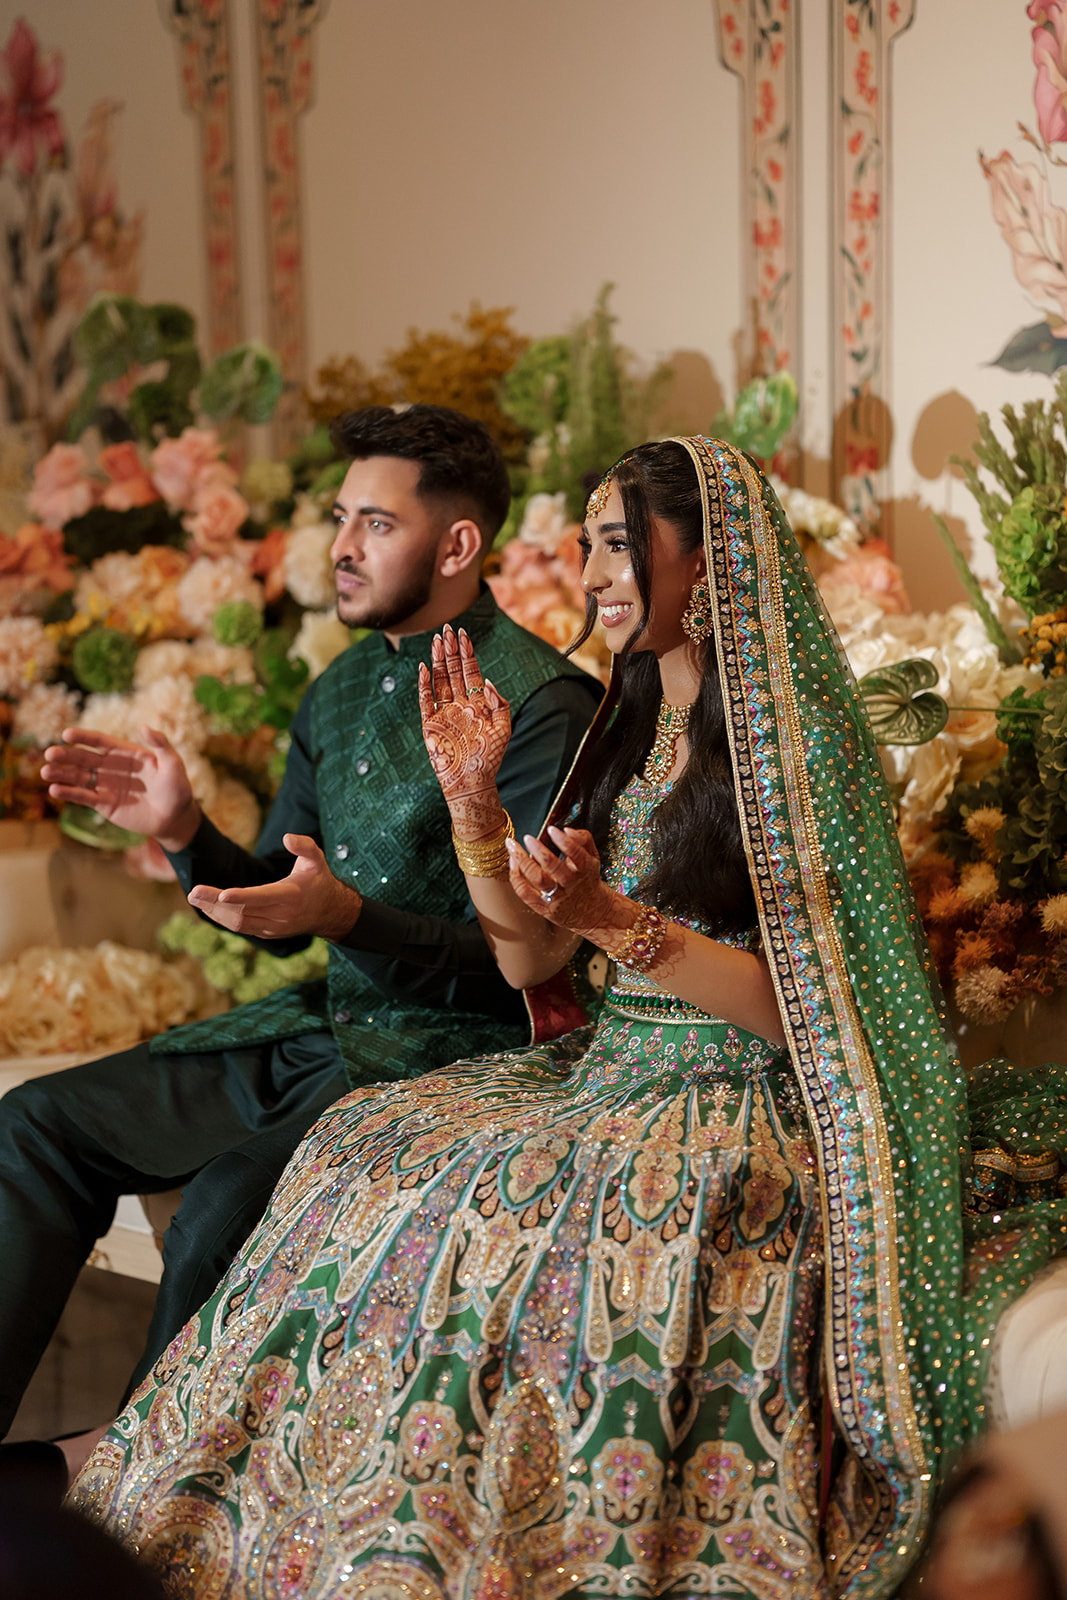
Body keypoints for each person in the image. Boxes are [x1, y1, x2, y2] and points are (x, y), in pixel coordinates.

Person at [70, 438, 1054, 1596]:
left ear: (711, 560)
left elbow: (800, 1011)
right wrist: (473, 808)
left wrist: (615, 921)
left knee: (558, 1206)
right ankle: (315, 1514)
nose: (590, 574)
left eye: (619, 545)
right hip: (605, 1065)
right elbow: (527, 954)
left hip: (735, 1093)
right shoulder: (624, 727)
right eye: (586, 545)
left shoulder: (796, 747)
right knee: (361, 1144)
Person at [0, 404, 600, 1472]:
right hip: (315, 1028)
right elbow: (284, 912)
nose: (342, 546)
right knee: (34, 1124)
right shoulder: (338, 691)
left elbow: (531, 964)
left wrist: (349, 919)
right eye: (340, 518)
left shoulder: (543, 702)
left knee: (219, 1208)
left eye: (377, 522)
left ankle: (131, 1492)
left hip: (455, 1056)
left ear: (457, 544)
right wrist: (185, 833)